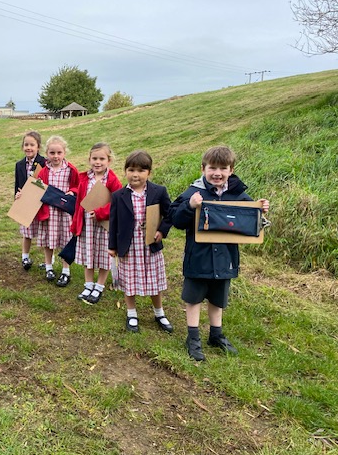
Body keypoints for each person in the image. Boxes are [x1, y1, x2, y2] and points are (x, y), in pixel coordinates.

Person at [169, 146, 269, 361]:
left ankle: (216, 335)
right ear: (203, 168)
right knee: (193, 298)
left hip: (225, 258)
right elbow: (176, 220)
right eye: (212, 168)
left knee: (217, 298)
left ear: (231, 170)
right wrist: (189, 205)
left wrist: (260, 209)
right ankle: (193, 338)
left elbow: (251, 221)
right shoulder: (193, 193)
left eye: (223, 168)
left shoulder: (239, 195)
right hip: (198, 257)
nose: (217, 173)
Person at [108, 150, 173, 333]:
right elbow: (114, 222)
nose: (135, 174)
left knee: (154, 280)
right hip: (128, 247)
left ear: (149, 173)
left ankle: (159, 312)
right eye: (131, 170)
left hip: (149, 245)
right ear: (125, 171)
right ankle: (131, 313)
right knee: (129, 280)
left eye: (141, 170)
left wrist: (161, 230)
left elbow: (170, 214)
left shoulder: (159, 191)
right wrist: (112, 246)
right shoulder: (119, 196)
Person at [72, 142, 122, 304]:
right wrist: (76, 221)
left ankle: (99, 286)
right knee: (89, 254)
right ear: (89, 160)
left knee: (102, 256)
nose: (97, 162)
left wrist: (101, 213)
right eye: (94, 158)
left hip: (104, 227)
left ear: (109, 160)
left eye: (102, 158)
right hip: (87, 225)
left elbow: (118, 203)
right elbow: (80, 201)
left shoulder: (112, 180)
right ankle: (88, 284)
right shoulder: (85, 178)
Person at [35, 135, 79, 287]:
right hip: (49, 212)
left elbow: (77, 186)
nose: (56, 156)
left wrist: (72, 191)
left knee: (65, 239)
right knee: (49, 240)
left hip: (64, 213)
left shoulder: (71, 170)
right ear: (47, 153)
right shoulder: (43, 171)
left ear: (64, 153)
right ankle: (49, 267)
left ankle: (66, 270)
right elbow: (36, 188)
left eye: (59, 153)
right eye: (52, 153)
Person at [14, 131, 47, 270]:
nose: (29, 147)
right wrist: (17, 197)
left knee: (44, 232)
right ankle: (25, 257)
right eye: (26, 144)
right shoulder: (19, 164)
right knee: (27, 232)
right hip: (26, 202)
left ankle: (48, 261)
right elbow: (17, 185)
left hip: (41, 201)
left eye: (32, 145)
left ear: (38, 147)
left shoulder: (44, 162)